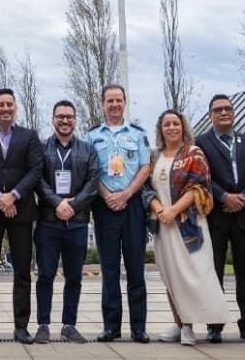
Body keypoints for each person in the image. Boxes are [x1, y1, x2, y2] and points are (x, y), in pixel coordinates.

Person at [144, 109, 228, 346]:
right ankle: (180, 323)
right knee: (171, 276)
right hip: (162, 224)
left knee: (194, 274)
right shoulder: (155, 156)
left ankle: (191, 325)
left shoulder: (193, 153)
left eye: (175, 124)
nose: (171, 128)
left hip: (188, 225)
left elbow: (198, 187)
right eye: (166, 124)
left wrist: (173, 210)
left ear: (183, 127)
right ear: (161, 129)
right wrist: (160, 209)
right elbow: (146, 189)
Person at [0, 88, 44, 345]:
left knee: (23, 272)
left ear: (16, 107)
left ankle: (21, 327)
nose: (5, 108)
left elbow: (36, 170)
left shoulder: (30, 136)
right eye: (0, 104)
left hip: (21, 210)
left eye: (9, 104)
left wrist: (13, 196)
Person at [194, 94, 245, 344]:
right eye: (218, 110)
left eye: (227, 108)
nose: (224, 113)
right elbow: (200, 177)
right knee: (213, 273)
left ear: (233, 112)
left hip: (244, 216)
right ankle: (214, 325)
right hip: (216, 217)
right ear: (210, 115)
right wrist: (224, 196)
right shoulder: (201, 143)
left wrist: (244, 198)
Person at [87, 83, 151, 343]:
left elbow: (145, 168)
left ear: (125, 103)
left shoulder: (137, 134)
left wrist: (125, 195)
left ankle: (139, 327)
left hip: (132, 205)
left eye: (118, 100)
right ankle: (111, 326)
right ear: (103, 104)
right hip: (104, 207)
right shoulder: (92, 136)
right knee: (110, 269)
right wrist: (107, 196)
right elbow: (91, 172)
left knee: (136, 269)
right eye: (109, 100)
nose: (114, 105)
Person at [32, 100, 100, 344]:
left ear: (75, 120)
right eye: (60, 116)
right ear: (53, 119)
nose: (65, 121)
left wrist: (73, 205)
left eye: (69, 117)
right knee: (45, 275)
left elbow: (94, 182)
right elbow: (37, 179)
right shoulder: (41, 149)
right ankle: (43, 325)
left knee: (74, 277)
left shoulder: (87, 150)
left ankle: (69, 325)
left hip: (78, 222)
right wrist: (57, 203)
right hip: (48, 222)